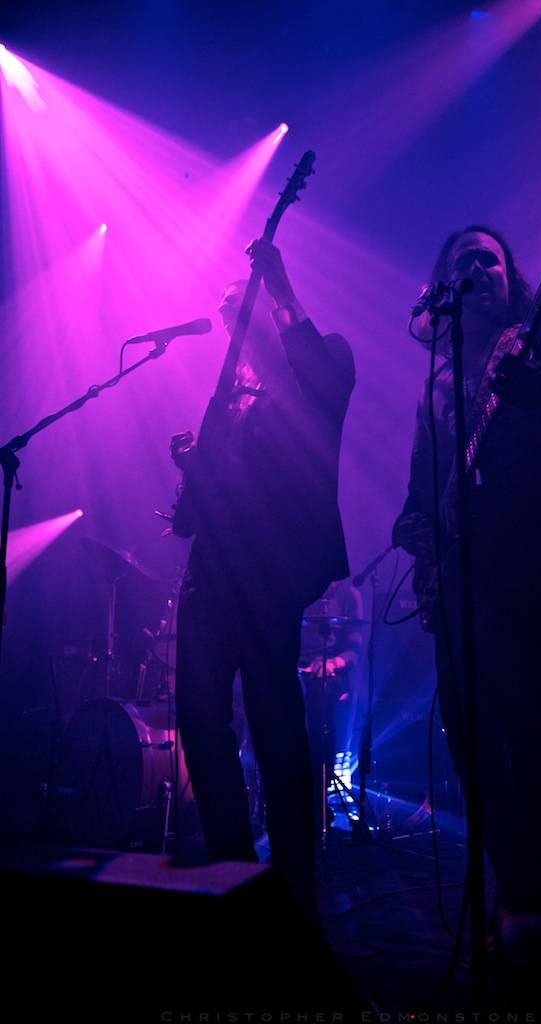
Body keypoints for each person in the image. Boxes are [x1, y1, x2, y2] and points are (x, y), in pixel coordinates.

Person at [393, 226, 541, 919]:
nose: (478, 267)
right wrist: (417, 537)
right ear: (445, 283)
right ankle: (518, 896)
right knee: (471, 742)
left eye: (488, 257)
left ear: (509, 273)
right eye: (463, 260)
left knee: (534, 736)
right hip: (461, 583)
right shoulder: (436, 383)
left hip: (532, 567)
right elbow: (420, 492)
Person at [172, 239, 355, 913]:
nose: (230, 317)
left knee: (273, 714)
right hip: (212, 567)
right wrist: (190, 473)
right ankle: (234, 866)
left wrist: (279, 291)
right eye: (226, 311)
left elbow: (323, 391)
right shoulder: (228, 391)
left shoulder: (323, 355)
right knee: (199, 713)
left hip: (270, 567)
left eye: (237, 306)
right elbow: (210, 491)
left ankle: (293, 878)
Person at [298, 578, 364, 835]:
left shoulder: (349, 594)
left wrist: (332, 663)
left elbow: (354, 650)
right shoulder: (298, 585)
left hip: (331, 671)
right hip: (295, 666)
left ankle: (318, 791)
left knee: (319, 697)